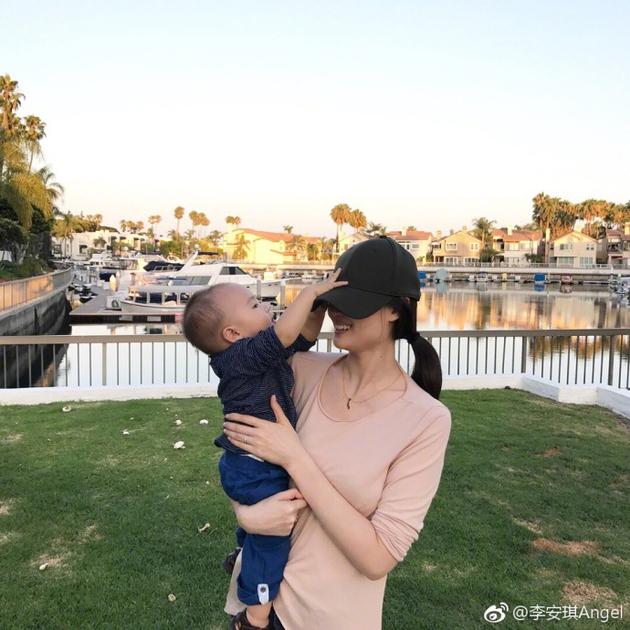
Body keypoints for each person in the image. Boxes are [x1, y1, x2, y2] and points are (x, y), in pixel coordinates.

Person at [221, 236, 452, 630]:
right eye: (332, 301)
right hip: (257, 611)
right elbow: (241, 454)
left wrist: (295, 457)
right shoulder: (300, 370)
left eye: (353, 304)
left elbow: (378, 558)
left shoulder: (426, 419)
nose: (337, 313)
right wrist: (246, 514)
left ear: (395, 310)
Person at [181, 271, 347, 630]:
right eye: (255, 305)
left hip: (250, 462)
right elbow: (284, 334)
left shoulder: (256, 354)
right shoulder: (238, 357)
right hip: (254, 466)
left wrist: (319, 306)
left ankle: (242, 554)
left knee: (260, 529)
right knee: (273, 540)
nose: (267, 306)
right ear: (232, 334)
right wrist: (309, 293)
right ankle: (255, 617)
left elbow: (302, 337)